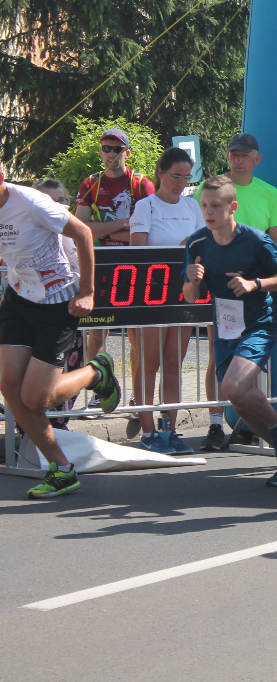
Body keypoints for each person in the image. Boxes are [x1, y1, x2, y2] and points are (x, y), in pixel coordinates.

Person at [0, 170, 120, 499]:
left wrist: (87, 291)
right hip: (18, 298)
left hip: (57, 303)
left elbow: (82, 232)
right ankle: (62, 470)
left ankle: (97, 372)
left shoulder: (32, 203)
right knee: (10, 386)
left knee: (35, 398)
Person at [184, 176, 277, 484]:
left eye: (216, 206)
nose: (208, 212)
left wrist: (255, 283)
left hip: (258, 324)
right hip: (225, 327)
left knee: (233, 388)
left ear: (232, 207)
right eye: (204, 205)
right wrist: (193, 280)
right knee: (240, 398)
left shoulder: (255, 240)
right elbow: (189, 297)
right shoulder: (197, 243)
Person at [193, 134, 277, 450]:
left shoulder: (268, 194)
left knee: (240, 378)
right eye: (233, 154)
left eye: (244, 155)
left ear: (256, 159)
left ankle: (274, 433)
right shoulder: (211, 190)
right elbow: (197, 238)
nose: (237, 159)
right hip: (221, 298)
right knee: (219, 364)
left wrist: (257, 281)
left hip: (256, 299)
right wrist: (196, 276)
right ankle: (217, 424)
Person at [129, 147, 206, 455]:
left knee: (174, 362)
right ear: (161, 173)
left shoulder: (192, 205)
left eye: (186, 178)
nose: (180, 183)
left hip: (183, 292)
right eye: (175, 176)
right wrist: (177, 247)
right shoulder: (145, 206)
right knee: (149, 362)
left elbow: (203, 242)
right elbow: (137, 254)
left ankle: (169, 430)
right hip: (151, 294)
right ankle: (148, 432)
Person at [73, 129, 155, 419]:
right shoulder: (90, 184)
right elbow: (81, 229)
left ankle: (136, 397)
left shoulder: (141, 184)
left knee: (136, 337)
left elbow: (145, 228)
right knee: (97, 333)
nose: (110, 154)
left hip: (132, 265)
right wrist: (122, 224)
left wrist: (103, 227)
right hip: (101, 263)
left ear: (126, 153)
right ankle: (99, 393)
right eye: (106, 149)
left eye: (116, 149)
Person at [33, 179, 86, 432]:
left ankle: (60, 424)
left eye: (61, 200)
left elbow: (77, 268)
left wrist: (84, 293)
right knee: (33, 384)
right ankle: (36, 429)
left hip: (66, 315)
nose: (57, 206)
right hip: (33, 315)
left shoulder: (69, 233)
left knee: (69, 369)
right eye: (48, 201)